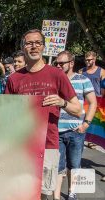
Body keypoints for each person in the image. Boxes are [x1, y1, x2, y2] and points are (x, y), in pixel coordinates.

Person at [5, 29, 82, 200]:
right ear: (23, 47)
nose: (33, 46)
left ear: (43, 47)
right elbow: (4, 115)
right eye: (29, 43)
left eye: (38, 43)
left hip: (48, 146)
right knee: (21, 194)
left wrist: (62, 102)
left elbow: (78, 110)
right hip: (22, 147)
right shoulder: (14, 79)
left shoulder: (57, 74)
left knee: (44, 195)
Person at [53, 51, 97, 200]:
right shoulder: (53, 80)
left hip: (76, 131)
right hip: (56, 131)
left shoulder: (83, 79)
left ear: (71, 63)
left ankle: (72, 193)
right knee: (57, 166)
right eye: (56, 63)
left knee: (74, 164)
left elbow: (93, 102)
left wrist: (86, 124)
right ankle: (56, 196)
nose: (58, 66)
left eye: (61, 63)